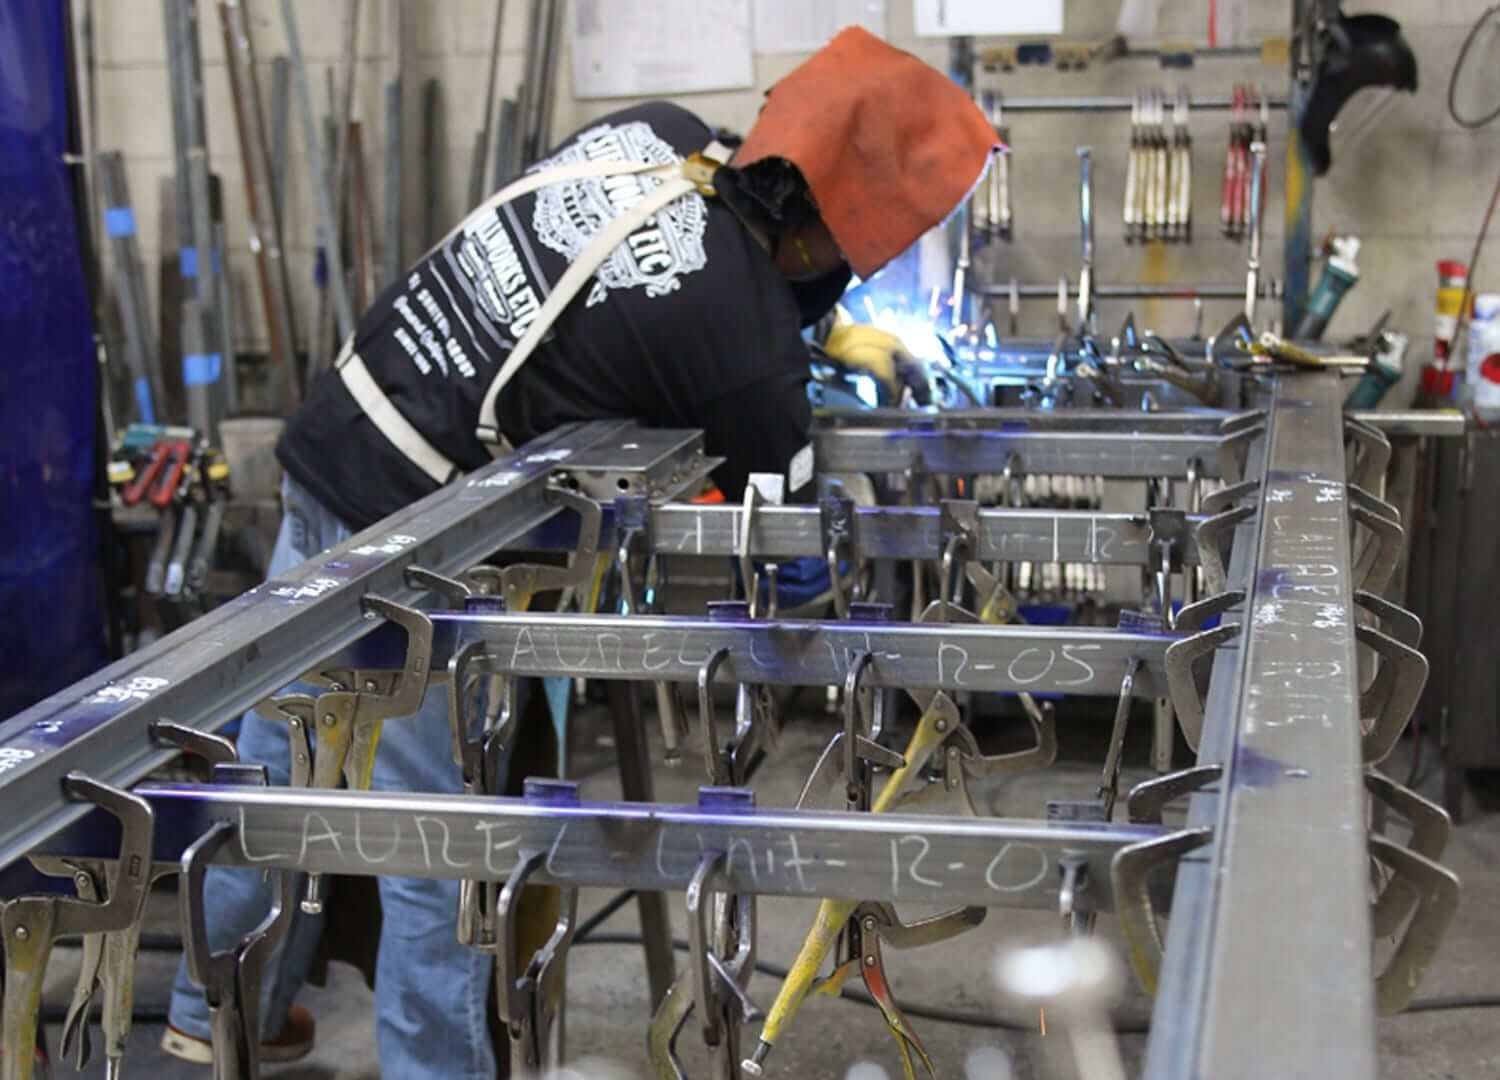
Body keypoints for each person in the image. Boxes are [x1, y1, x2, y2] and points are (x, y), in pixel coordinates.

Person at [163, 26, 994, 1077]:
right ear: (830, 238)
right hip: (416, 528)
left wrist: (819, 335)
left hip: (335, 436)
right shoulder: (746, 356)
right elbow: (792, 553)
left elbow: (646, 275)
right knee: (444, 844)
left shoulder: (656, 133)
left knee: (279, 768)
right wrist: (824, 555)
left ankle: (213, 1005)